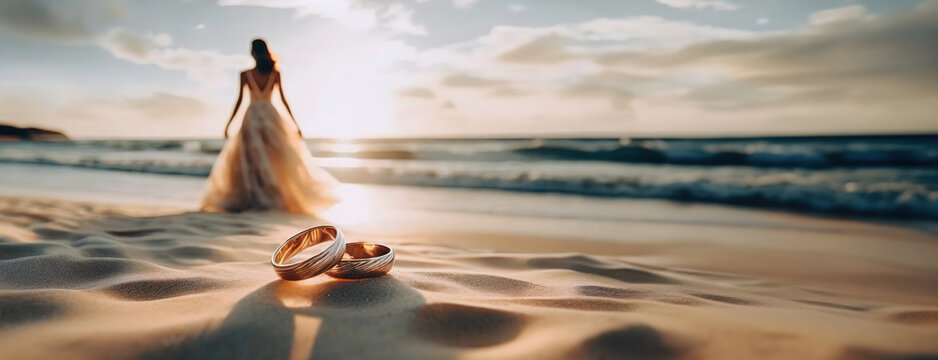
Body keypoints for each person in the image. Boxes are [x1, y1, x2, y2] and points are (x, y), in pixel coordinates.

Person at [201, 39, 338, 215]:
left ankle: (258, 198)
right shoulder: (272, 73)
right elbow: (283, 100)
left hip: (252, 117)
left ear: (253, 53)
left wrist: (229, 123)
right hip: (270, 116)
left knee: (253, 160)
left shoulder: (247, 74)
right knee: (272, 159)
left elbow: (240, 101)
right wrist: (295, 124)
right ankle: (268, 197)